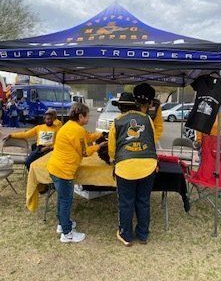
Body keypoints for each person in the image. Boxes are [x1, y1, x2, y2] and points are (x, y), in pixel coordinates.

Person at [47, 103, 106, 243]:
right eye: (88, 116)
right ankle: (67, 234)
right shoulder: (76, 130)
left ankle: (62, 224)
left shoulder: (70, 126)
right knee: (66, 201)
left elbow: (87, 136)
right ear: (80, 116)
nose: (89, 118)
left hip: (55, 168)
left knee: (62, 199)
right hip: (63, 171)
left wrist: (101, 134)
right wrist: (99, 146)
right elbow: (85, 152)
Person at [108, 89, 158, 246]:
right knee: (143, 201)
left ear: (120, 107)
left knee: (126, 202)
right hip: (148, 165)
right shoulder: (147, 119)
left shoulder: (116, 122)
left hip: (125, 167)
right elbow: (153, 139)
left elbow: (111, 148)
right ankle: (143, 235)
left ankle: (126, 235)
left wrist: (113, 160)